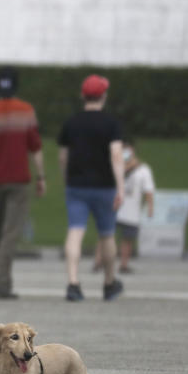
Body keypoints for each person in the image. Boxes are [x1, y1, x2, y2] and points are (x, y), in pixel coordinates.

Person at [0, 66, 45, 300]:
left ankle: (1, 280)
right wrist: (41, 176)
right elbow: (35, 148)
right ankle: (0, 284)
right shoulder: (26, 111)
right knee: (10, 234)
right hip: (19, 180)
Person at [57, 75, 125, 302]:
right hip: (104, 186)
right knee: (107, 234)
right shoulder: (111, 123)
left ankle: (73, 283)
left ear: (82, 96)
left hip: (76, 186)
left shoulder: (71, 122)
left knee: (75, 232)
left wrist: (66, 179)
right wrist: (121, 187)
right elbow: (116, 155)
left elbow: (63, 156)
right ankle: (109, 282)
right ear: (103, 96)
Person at [92, 140, 154, 274]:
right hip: (112, 206)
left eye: (128, 150)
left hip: (131, 211)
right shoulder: (113, 166)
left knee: (127, 239)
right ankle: (98, 261)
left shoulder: (143, 170)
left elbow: (149, 190)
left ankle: (123, 264)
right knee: (105, 235)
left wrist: (150, 207)